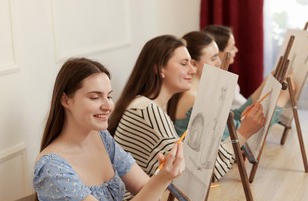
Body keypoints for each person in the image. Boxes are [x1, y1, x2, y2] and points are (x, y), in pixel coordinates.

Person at [33, 57, 184, 201]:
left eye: (109, 96)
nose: (108, 106)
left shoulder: (102, 138)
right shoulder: (52, 167)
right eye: (95, 97)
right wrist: (162, 179)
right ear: (66, 100)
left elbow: (145, 189)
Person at [108, 35, 258, 182]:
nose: (193, 70)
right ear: (160, 68)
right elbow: (196, 176)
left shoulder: (150, 106)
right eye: (184, 63)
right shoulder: (146, 110)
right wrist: (243, 133)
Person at [168, 31, 265, 143]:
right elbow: (234, 135)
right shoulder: (195, 98)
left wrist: (264, 86)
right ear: (194, 64)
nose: (219, 62)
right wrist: (281, 100)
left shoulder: (193, 92)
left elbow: (232, 122)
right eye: (214, 58)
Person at [203, 25, 288, 124]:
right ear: (218, 51)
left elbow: (240, 113)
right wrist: (283, 99)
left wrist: (267, 82)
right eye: (231, 48)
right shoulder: (214, 87)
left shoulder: (224, 79)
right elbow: (240, 118)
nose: (236, 50)